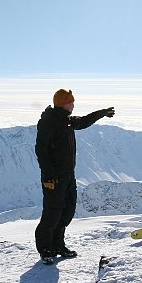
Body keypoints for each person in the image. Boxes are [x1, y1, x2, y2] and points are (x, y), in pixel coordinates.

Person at [34, 89, 115, 264]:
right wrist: (48, 176)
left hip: (68, 176)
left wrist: (102, 113)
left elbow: (84, 121)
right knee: (52, 213)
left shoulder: (66, 121)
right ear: (63, 103)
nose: (73, 105)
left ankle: (58, 245)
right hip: (53, 178)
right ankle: (45, 249)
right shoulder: (49, 122)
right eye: (71, 102)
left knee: (67, 210)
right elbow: (41, 150)